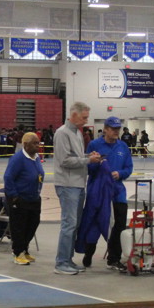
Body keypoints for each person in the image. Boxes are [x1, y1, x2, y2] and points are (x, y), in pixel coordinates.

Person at [53, 102, 101, 275]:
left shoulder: (78, 133)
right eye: (84, 117)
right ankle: (61, 263)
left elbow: (77, 157)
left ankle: (68, 260)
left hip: (79, 184)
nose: (86, 121)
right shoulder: (62, 133)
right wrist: (88, 160)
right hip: (67, 185)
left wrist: (89, 156)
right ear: (74, 115)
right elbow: (65, 160)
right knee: (69, 224)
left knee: (75, 225)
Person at [79, 117, 133, 271]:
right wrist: (96, 162)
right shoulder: (94, 145)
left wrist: (120, 173)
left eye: (118, 129)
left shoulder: (123, 147)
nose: (116, 131)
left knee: (119, 225)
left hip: (117, 192)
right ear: (105, 129)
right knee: (95, 222)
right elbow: (88, 169)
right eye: (113, 129)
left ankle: (114, 258)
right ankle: (89, 252)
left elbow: (129, 168)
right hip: (98, 192)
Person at [3, 132, 44, 265]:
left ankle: (25, 249)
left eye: (38, 142)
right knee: (19, 226)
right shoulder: (17, 159)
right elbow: (8, 177)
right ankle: (18, 252)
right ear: (25, 145)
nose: (38, 145)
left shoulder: (36, 157)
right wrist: (14, 196)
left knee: (32, 224)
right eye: (34, 143)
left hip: (34, 198)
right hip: (20, 198)